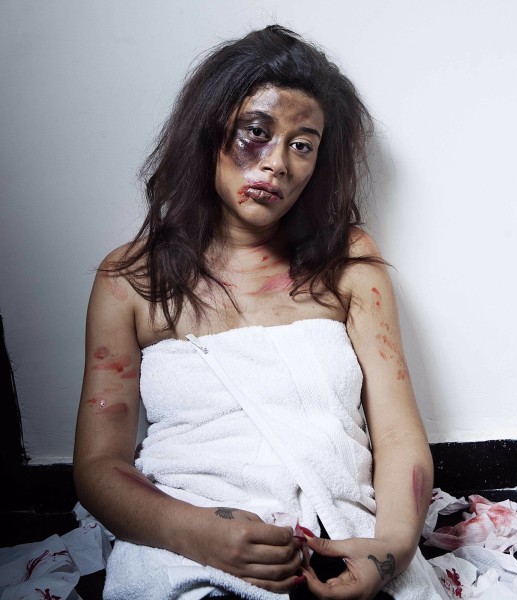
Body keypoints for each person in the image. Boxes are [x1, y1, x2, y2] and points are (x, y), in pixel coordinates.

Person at [73, 25, 444, 600]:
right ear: (211, 129)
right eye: (256, 131)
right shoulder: (130, 279)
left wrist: (388, 550)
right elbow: (99, 465)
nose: (277, 164)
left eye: (302, 145)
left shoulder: (348, 262)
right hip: (184, 550)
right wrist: (196, 534)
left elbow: (397, 435)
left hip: (339, 544)